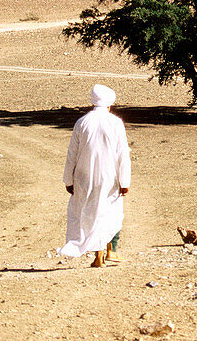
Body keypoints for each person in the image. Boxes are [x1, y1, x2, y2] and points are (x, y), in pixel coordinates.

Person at [59, 83, 131, 267]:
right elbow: (123, 154)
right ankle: (110, 251)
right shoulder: (115, 123)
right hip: (109, 177)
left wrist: (68, 179)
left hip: (84, 177)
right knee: (109, 213)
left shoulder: (82, 122)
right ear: (109, 104)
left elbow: (71, 155)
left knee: (90, 214)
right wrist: (125, 180)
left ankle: (99, 255)